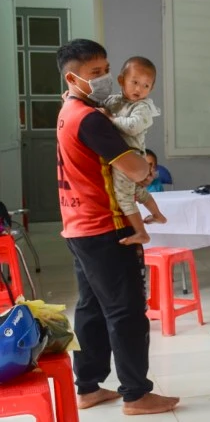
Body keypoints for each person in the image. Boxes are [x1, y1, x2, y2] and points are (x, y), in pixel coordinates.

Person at [56, 39, 179, 416]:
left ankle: (89, 387)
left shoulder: (69, 108)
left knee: (91, 308)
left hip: (77, 225)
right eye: (96, 73)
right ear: (73, 77)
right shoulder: (92, 119)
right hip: (106, 225)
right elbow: (137, 169)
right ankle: (136, 395)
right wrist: (146, 168)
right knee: (126, 310)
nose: (106, 78)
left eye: (107, 68)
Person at [101, 57, 165, 245]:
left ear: (151, 89)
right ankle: (157, 214)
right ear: (121, 80)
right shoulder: (115, 101)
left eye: (146, 85)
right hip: (124, 155)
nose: (139, 89)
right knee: (137, 191)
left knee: (124, 196)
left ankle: (141, 232)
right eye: (135, 82)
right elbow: (97, 109)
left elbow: (132, 127)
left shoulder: (143, 107)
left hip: (130, 156)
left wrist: (111, 119)